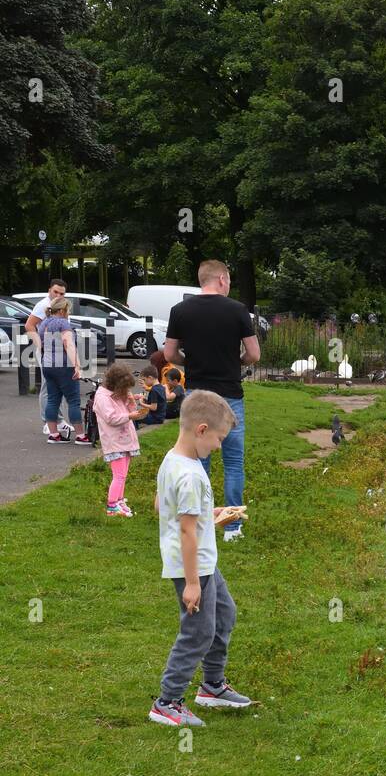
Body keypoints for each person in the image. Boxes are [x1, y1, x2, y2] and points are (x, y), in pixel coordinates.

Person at [150, 389, 253, 727]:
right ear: (202, 429)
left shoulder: (174, 460)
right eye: (220, 439)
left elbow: (162, 506)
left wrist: (212, 513)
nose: (220, 446)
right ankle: (168, 700)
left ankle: (212, 686)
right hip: (194, 567)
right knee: (198, 632)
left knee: (224, 614)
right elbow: (187, 533)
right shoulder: (191, 474)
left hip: (203, 562)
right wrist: (192, 584)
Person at [162, 259, 260, 544]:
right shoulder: (238, 310)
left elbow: (170, 354)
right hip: (230, 394)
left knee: (198, 460)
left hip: (196, 394)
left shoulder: (180, 310)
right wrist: (236, 362)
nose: (229, 285)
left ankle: (202, 520)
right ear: (220, 279)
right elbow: (254, 354)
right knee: (232, 461)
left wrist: (189, 362)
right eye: (228, 280)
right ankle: (232, 526)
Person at [92, 363, 148, 516]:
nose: (126, 392)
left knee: (124, 473)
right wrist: (130, 416)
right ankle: (112, 506)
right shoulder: (103, 397)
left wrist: (130, 401)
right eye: (125, 389)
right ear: (116, 385)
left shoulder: (118, 393)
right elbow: (111, 418)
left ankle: (119, 499)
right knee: (119, 475)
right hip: (114, 441)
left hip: (125, 440)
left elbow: (130, 410)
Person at [36, 295, 91, 444]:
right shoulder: (63, 323)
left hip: (47, 365)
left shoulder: (43, 324)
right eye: (68, 310)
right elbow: (69, 344)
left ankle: (53, 434)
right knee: (73, 400)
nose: (69, 313)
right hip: (64, 366)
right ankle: (81, 436)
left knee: (53, 399)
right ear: (61, 310)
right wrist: (77, 366)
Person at [26, 277, 72, 434]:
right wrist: (41, 345)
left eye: (62, 293)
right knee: (48, 386)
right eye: (55, 292)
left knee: (57, 385)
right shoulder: (43, 305)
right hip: (48, 351)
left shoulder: (61, 306)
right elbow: (29, 325)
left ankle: (58, 420)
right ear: (49, 290)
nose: (58, 295)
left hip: (58, 351)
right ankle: (47, 421)